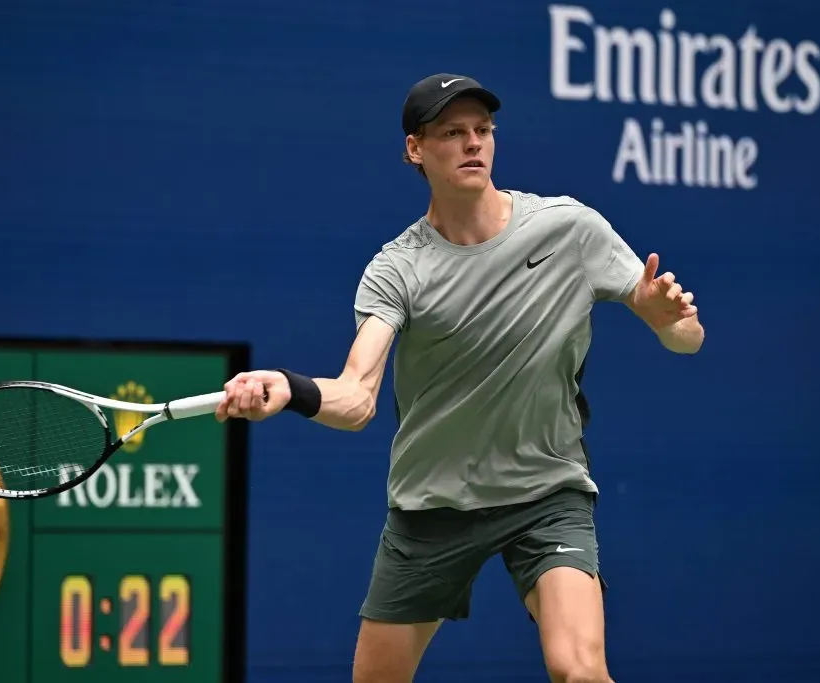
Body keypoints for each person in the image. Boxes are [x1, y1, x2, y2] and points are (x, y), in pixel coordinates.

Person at [215, 73, 705, 683]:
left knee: (579, 670)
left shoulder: (570, 230)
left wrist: (667, 321)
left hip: (546, 491)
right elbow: (357, 398)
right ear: (416, 150)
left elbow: (688, 338)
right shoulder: (398, 269)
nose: (474, 143)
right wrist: (289, 389)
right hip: (433, 505)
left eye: (483, 130)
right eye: (453, 133)